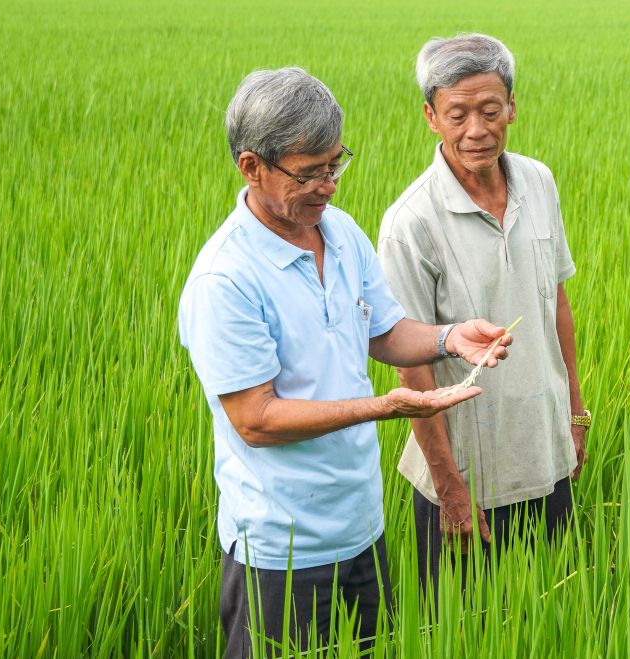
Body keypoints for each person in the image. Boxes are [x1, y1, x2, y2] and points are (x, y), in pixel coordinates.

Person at [177, 67, 513, 658]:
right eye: (310, 173)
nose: (329, 185)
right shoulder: (225, 279)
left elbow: (384, 331)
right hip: (279, 552)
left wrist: (451, 339)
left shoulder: (340, 231)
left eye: (336, 164)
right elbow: (255, 420)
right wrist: (386, 407)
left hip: (361, 529)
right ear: (251, 167)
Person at [377, 34, 590, 588]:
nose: (477, 129)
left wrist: (574, 414)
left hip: (545, 456)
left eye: (490, 110)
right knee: (466, 629)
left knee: (552, 614)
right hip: (467, 475)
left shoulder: (538, 182)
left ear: (512, 108)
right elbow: (410, 364)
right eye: (458, 113)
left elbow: (556, 301)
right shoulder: (411, 222)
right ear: (430, 117)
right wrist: (449, 487)